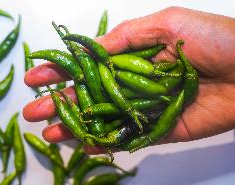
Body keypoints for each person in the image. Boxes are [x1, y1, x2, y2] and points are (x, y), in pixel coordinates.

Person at [23, 7, 235, 154]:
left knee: (102, 104)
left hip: (137, 97)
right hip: (132, 99)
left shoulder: (120, 75)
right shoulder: (106, 71)